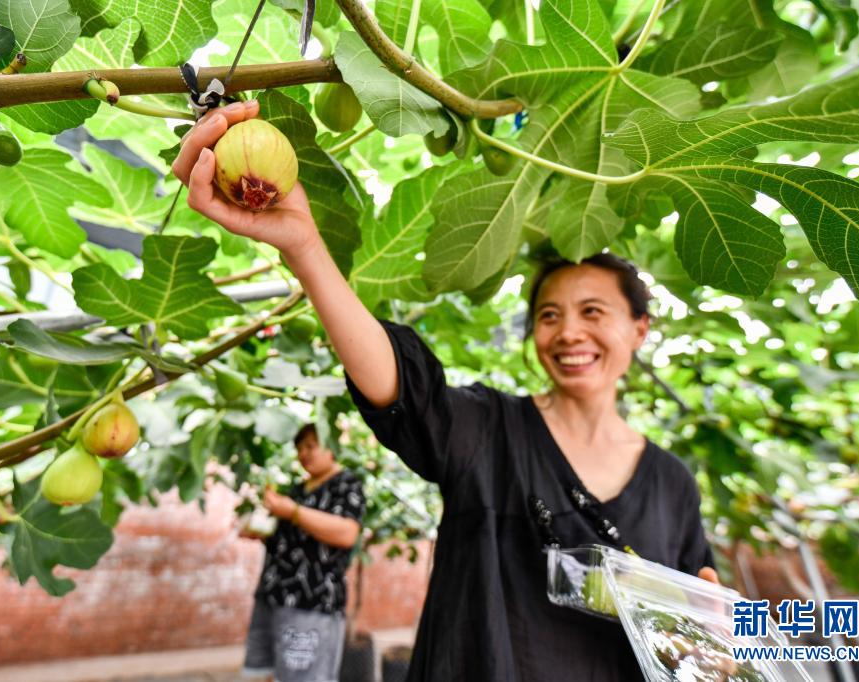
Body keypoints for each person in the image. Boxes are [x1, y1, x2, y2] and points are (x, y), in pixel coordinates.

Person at [176, 102, 719, 681]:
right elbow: (402, 390)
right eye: (549, 315)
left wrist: (710, 641)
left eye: (593, 312)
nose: (568, 333)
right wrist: (305, 247)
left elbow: (693, 631)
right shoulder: (489, 430)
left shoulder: (672, 485)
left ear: (639, 329)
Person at [239, 423, 365, 682]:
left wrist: (294, 512)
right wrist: (260, 530)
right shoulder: (298, 490)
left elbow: (347, 533)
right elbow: (290, 541)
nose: (303, 453)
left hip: (311, 601)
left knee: (304, 676)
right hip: (273, 594)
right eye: (299, 448)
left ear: (331, 447)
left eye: (310, 446)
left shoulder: (346, 483)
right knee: (266, 672)